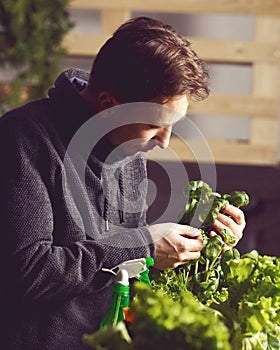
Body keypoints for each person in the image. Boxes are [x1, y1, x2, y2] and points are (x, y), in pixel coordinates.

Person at [0, 16, 246, 349]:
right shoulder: (22, 139)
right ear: (109, 106)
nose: (164, 141)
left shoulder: (125, 144)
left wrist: (197, 238)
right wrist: (143, 245)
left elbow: (118, 266)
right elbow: (29, 272)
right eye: (154, 126)